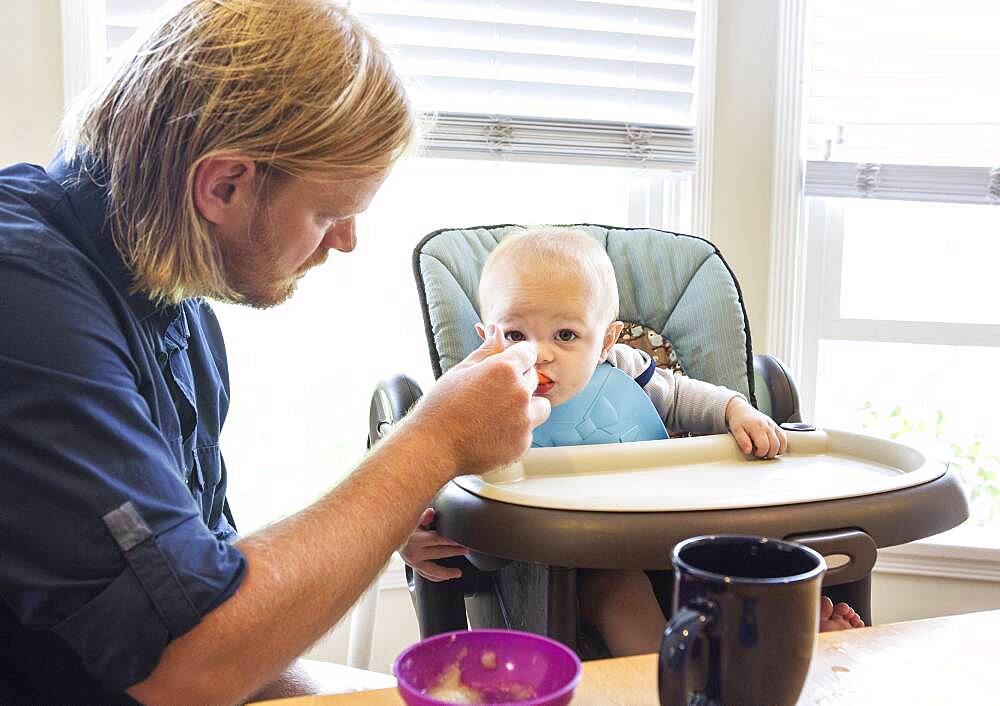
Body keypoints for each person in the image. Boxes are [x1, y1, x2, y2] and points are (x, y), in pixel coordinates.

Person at [0, 2, 551, 704]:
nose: (345, 241)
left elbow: (210, 600)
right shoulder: (24, 303)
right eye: (330, 212)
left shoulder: (173, 301)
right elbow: (187, 663)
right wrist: (435, 440)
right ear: (224, 184)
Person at [401, 227, 865, 657]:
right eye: (516, 334)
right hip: (557, 567)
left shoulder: (623, 370)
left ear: (605, 341)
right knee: (619, 591)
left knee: (733, 562)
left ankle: (786, 645)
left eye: (565, 335)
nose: (539, 352)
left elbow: (685, 396)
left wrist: (736, 411)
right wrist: (410, 532)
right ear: (486, 339)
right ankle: (673, 678)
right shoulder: (478, 397)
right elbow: (432, 466)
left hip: (664, 534)